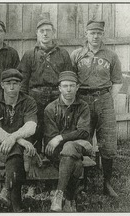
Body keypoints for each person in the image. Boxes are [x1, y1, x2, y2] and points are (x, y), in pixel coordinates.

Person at [71, 20, 122, 198]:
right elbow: (70, 80)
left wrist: (107, 99)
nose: (95, 36)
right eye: (92, 33)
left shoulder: (111, 55)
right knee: (82, 138)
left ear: (102, 35)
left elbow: (117, 81)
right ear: (86, 34)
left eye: (99, 33)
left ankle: (107, 183)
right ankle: (81, 183)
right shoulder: (77, 54)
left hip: (104, 99)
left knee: (107, 142)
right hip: (83, 99)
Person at [0, 69, 37, 212]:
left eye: (16, 83)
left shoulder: (29, 101)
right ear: (2, 85)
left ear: (21, 85)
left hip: (19, 149)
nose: (12, 87)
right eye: (8, 83)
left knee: (15, 154)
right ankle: (17, 207)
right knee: (15, 153)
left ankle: (7, 192)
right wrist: (20, 141)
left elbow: (31, 127)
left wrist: (14, 138)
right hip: (0, 148)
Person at [18, 19, 73, 153]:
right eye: (42, 31)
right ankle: (35, 161)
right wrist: (24, 101)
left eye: (48, 30)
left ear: (53, 33)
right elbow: (23, 81)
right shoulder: (30, 54)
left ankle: (54, 161)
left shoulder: (63, 54)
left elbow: (68, 78)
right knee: (35, 130)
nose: (45, 34)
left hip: (56, 97)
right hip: (35, 97)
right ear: (37, 34)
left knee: (55, 129)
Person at [44, 71, 92, 212]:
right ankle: (70, 200)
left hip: (75, 147)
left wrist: (61, 137)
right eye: (65, 86)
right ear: (59, 88)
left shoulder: (83, 106)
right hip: (57, 152)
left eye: (72, 85)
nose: (69, 89)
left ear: (77, 87)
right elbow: (51, 137)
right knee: (74, 161)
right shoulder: (50, 108)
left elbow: (84, 131)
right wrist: (73, 139)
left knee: (70, 147)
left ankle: (58, 195)